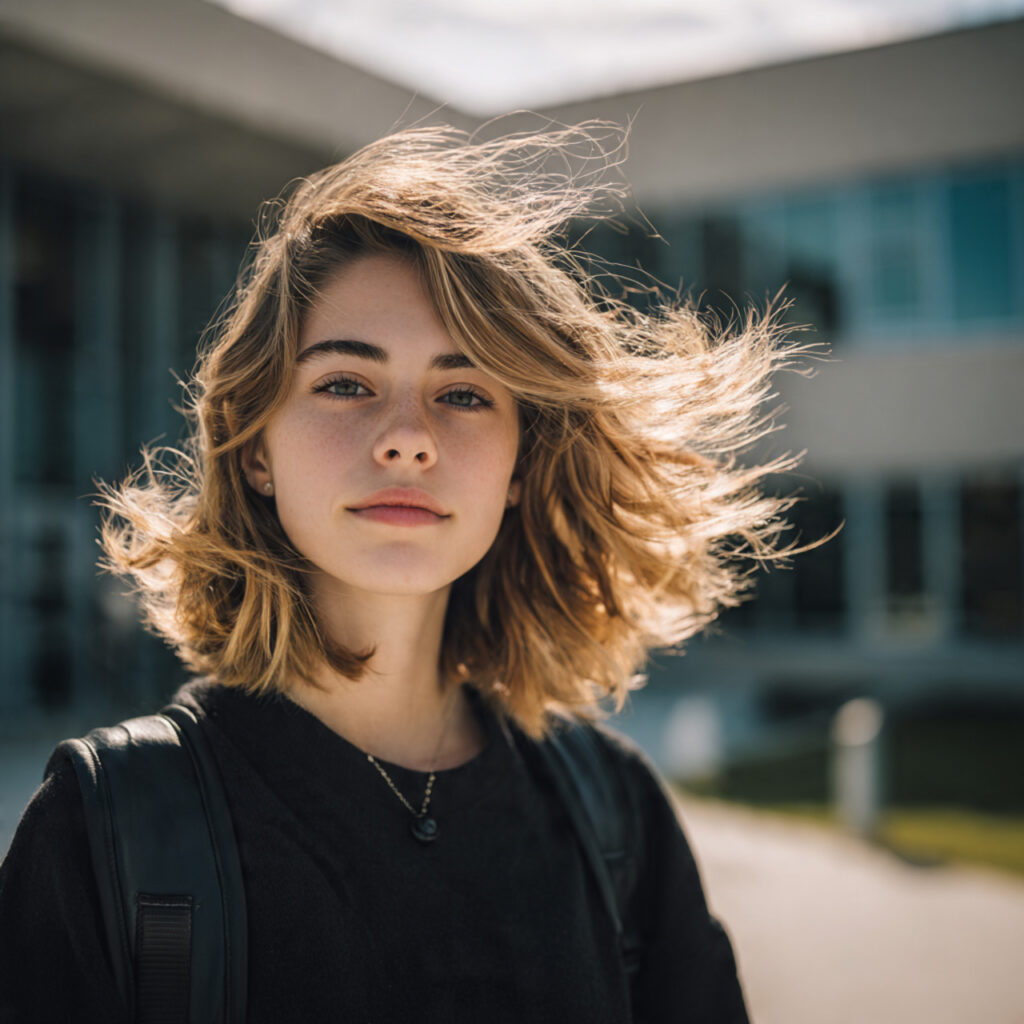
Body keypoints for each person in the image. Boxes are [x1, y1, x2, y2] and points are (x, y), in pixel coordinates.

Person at [0, 123, 810, 1023]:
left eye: (463, 394)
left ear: (517, 467)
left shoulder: (614, 815)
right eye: (346, 382)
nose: (407, 435)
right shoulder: (109, 824)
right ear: (254, 444)